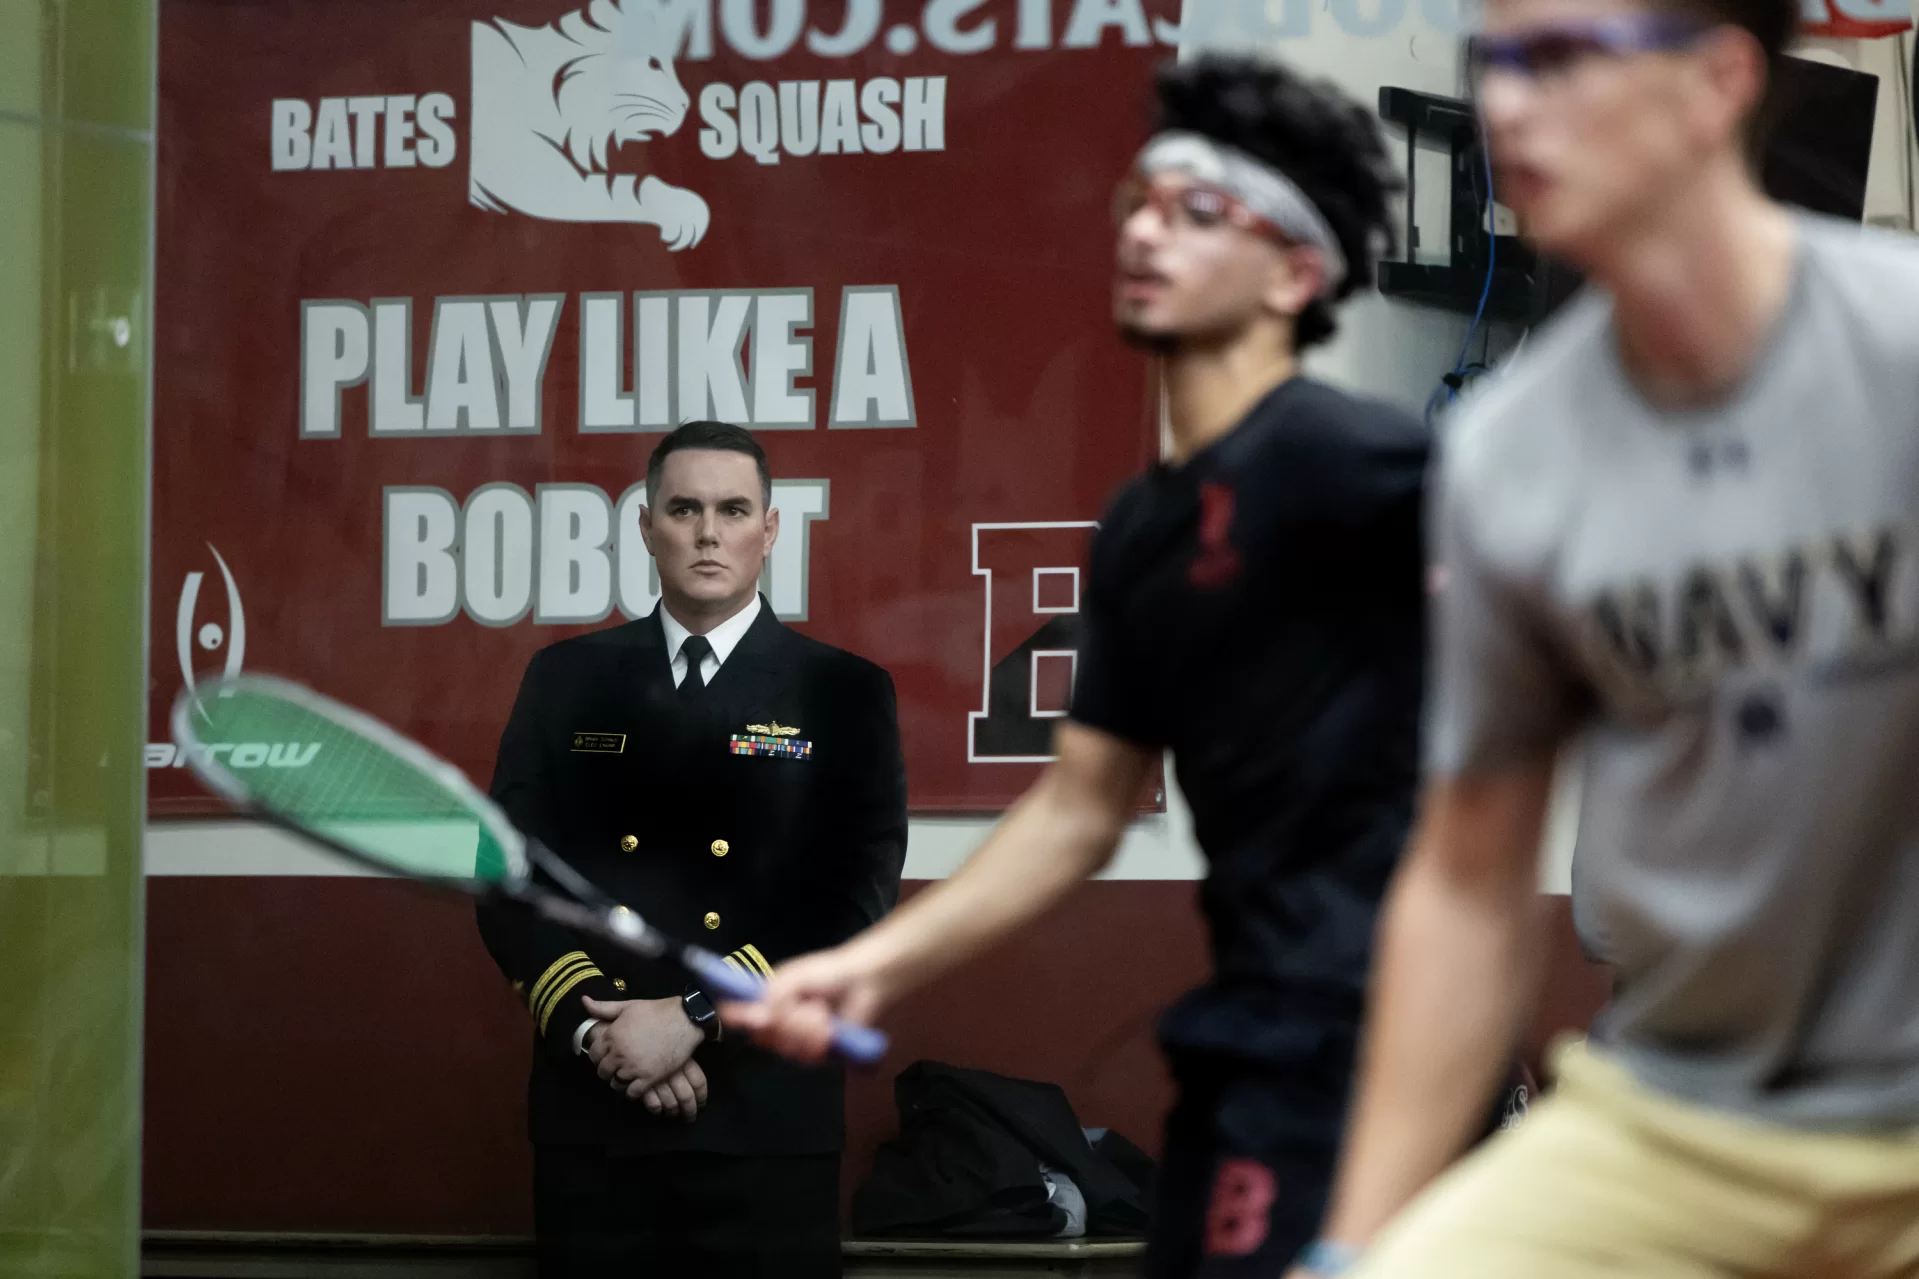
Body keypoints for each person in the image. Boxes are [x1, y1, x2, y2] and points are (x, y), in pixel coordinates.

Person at [727, 55, 1428, 1277]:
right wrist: (862, 966)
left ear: (1296, 274)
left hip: (1393, 1062)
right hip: (1245, 1055)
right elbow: (1079, 811)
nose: (1149, 229)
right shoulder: (1146, 533)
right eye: (1140, 202)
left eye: (1200, 212)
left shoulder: (1359, 469)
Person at [1277, 0, 1919, 1274]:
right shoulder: (1505, 454)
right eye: (1494, 64)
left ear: (1718, 82)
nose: (1507, 105)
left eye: (1563, 60)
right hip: (1688, 1116)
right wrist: (1353, 1238)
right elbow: (1465, 886)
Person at [477, 419, 907, 1279]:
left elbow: (850, 897)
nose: (707, 532)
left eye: (732, 508)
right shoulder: (565, 678)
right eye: (683, 508)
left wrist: (693, 1018)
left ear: (770, 529)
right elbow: (509, 876)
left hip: (765, 1120)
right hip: (594, 1113)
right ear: (645, 525)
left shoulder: (843, 690)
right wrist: (601, 1033)